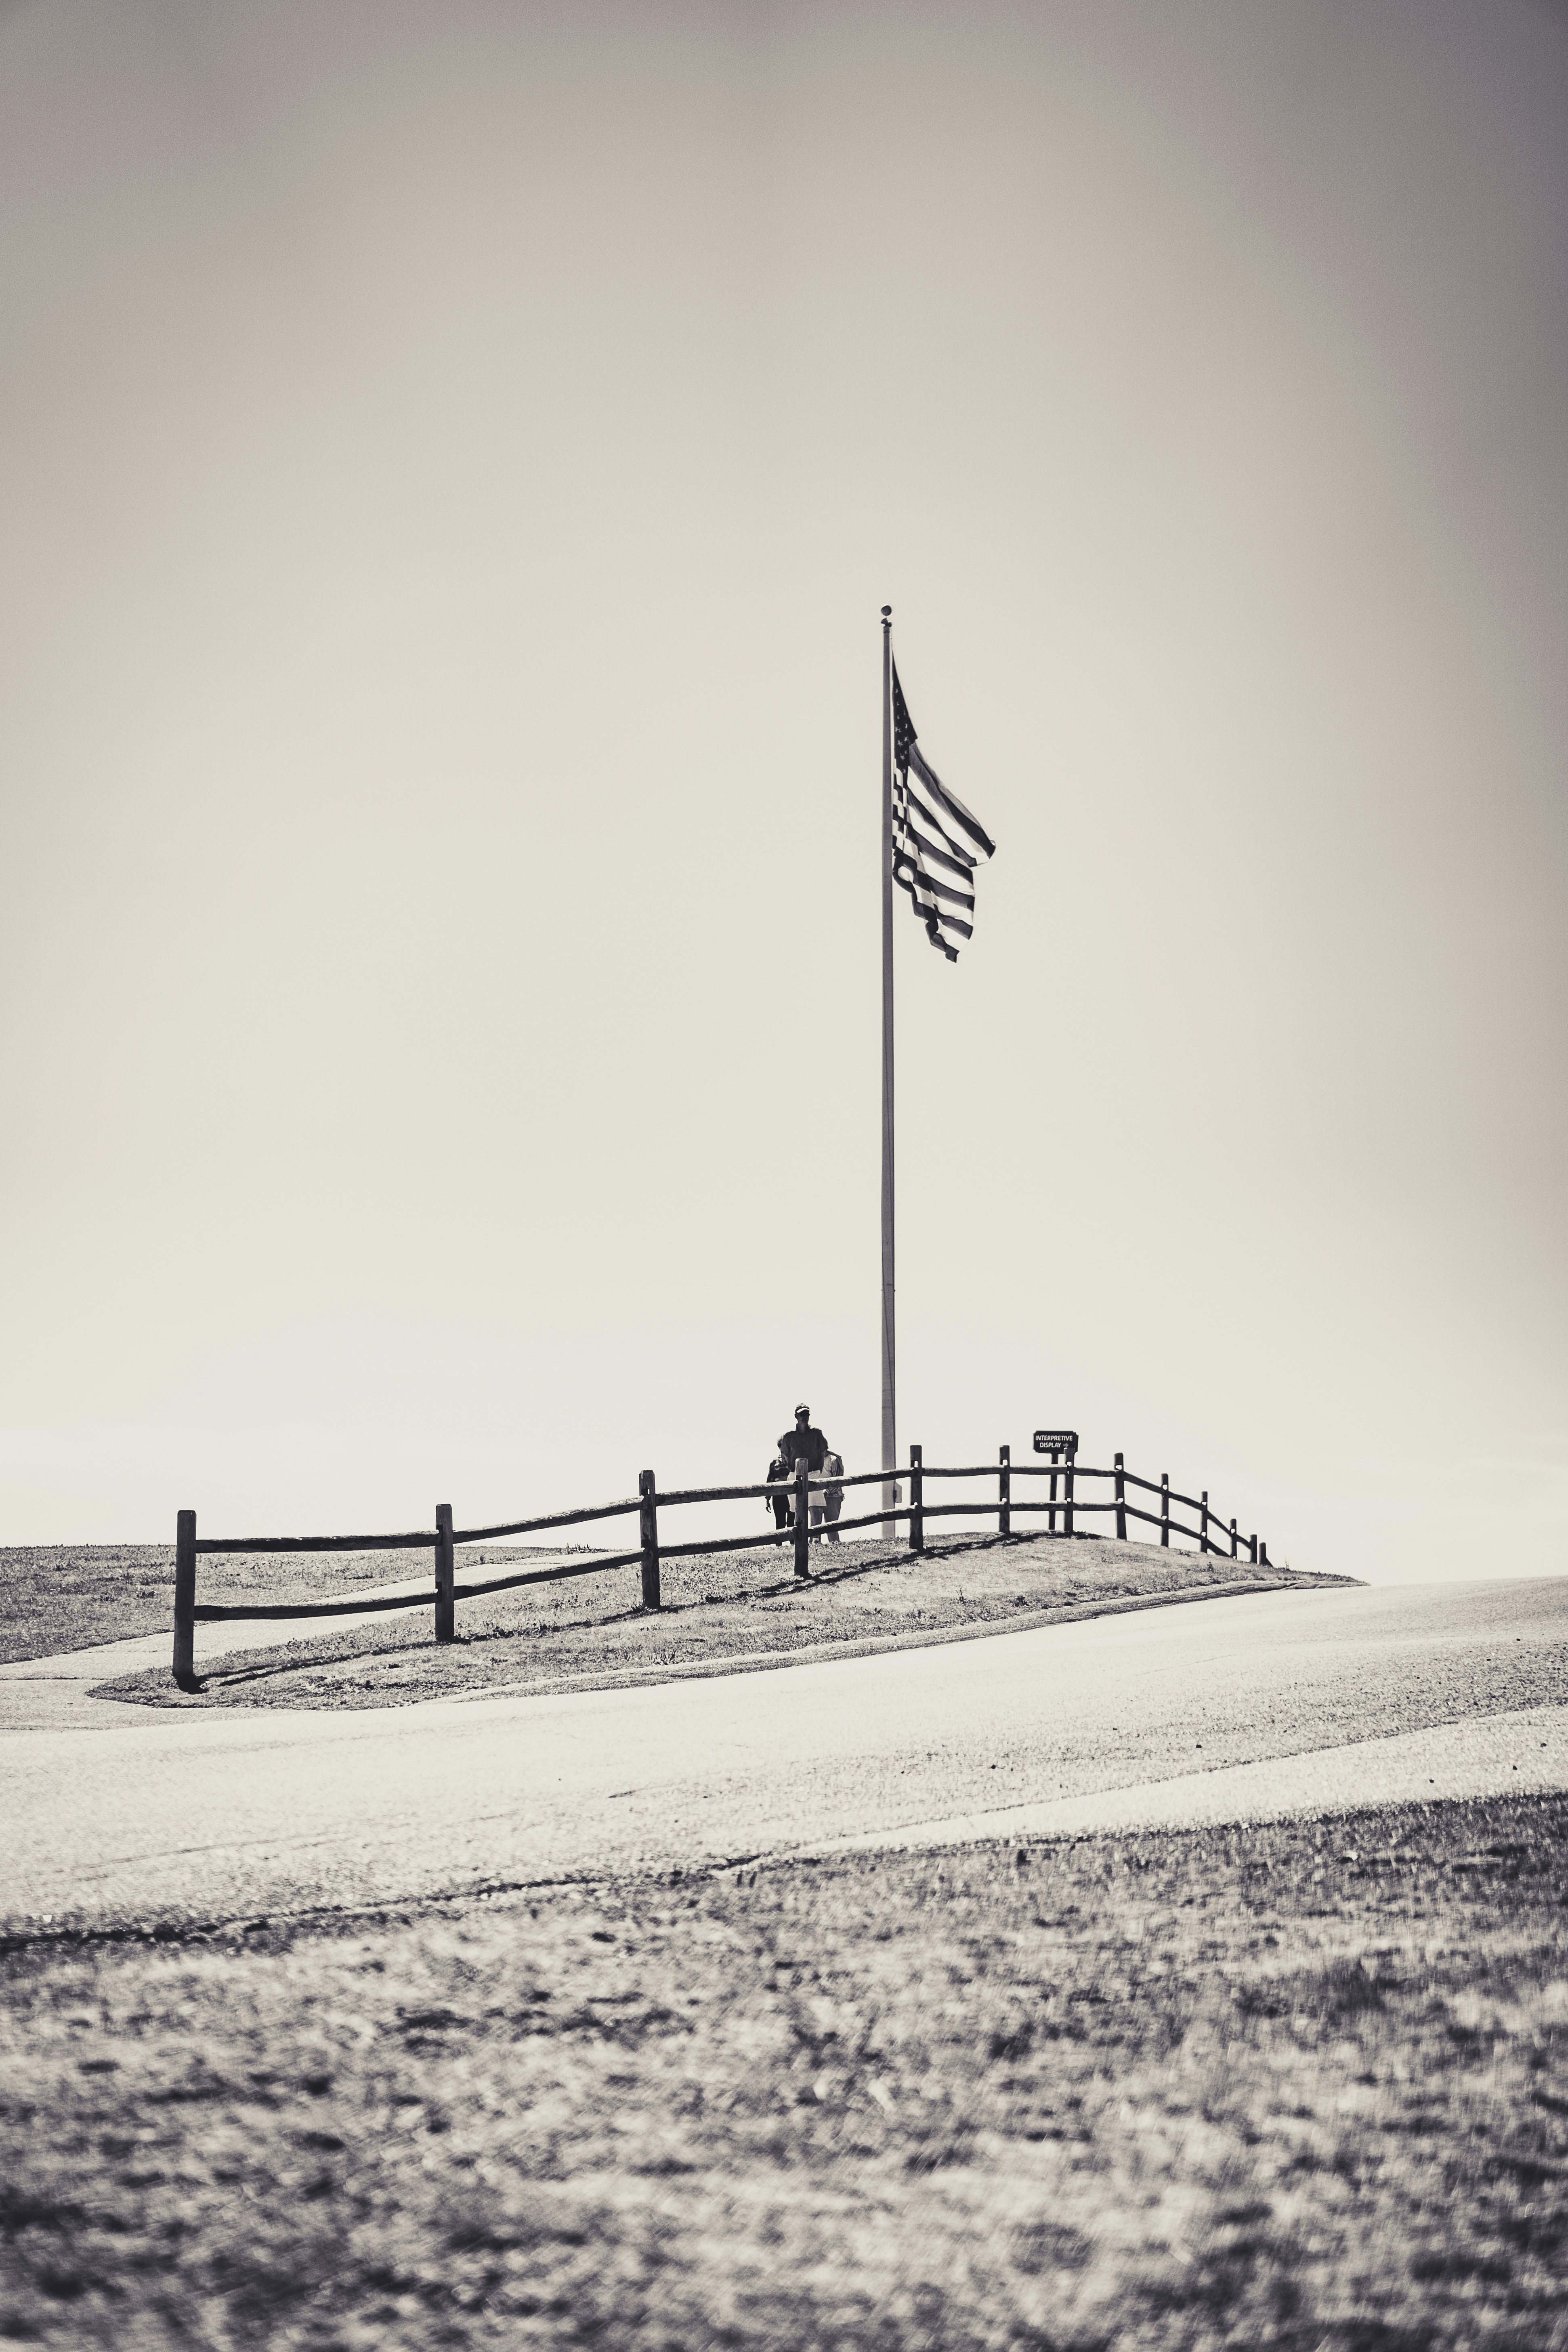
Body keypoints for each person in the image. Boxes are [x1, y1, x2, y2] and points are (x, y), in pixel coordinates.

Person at [819, 1450, 844, 1543]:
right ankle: (816, 1546)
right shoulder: (814, 1460)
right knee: (815, 1524)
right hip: (818, 1496)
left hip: (833, 1496)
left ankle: (835, 1547)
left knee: (832, 1525)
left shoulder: (834, 1459)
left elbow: (838, 1481)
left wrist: (826, 1492)